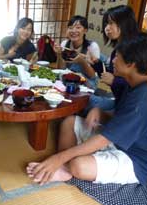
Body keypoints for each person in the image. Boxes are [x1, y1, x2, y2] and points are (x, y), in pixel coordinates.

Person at [27, 34, 147, 186]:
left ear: (131, 64)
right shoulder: (131, 84)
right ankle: (65, 168)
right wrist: (100, 113)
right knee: (69, 122)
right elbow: (122, 120)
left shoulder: (143, 97)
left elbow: (106, 137)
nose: (113, 61)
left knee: (80, 166)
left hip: (137, 160)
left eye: (117, 57)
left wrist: (57, 158)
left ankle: (66, 166)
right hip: (121, 141)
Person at [88, 5, 140, 111]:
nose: (107, 28)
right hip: (118, 101)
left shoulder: (135, 50)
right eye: (106, 23)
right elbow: (112, 74)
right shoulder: (117, 50)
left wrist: (114, 81)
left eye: (111, 23)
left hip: (130, 108)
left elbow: (138, 85)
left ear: (125, 23)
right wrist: (96, 63)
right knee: (86, 101)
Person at [55, 15, 101, 89]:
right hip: (68, 79)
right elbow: (62, 68)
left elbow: (92, 76)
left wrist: (82, 61)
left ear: (85, 30)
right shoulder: (64, 44)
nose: (73, 31)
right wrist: (59, 54)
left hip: (87, 82)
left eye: (78, 27)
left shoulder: (92, 46)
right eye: (71, 28)